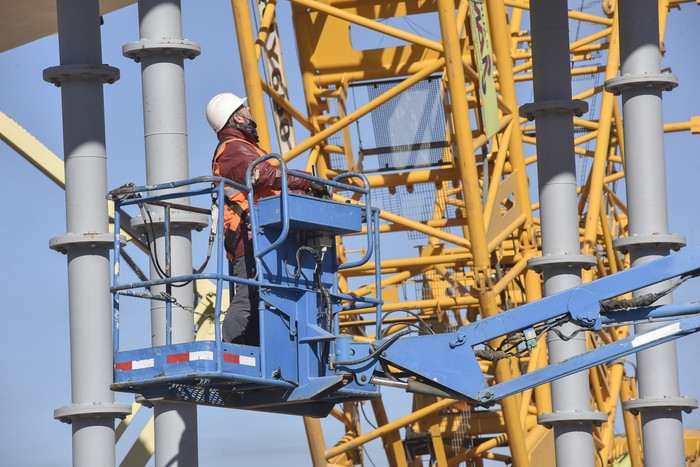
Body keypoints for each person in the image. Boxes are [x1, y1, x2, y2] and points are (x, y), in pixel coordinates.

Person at [206, 92, 324, 345]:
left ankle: (257, 351)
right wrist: (309, 181)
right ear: (236, 116)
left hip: (264, 235)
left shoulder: (245, 147)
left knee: (265, 297)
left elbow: (272, 185)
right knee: (248, 297)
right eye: (244, 107)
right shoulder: (234, 150)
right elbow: (265, 175)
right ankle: (230, 351)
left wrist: (305, 189)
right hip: (249, 238)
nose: (250, 109)